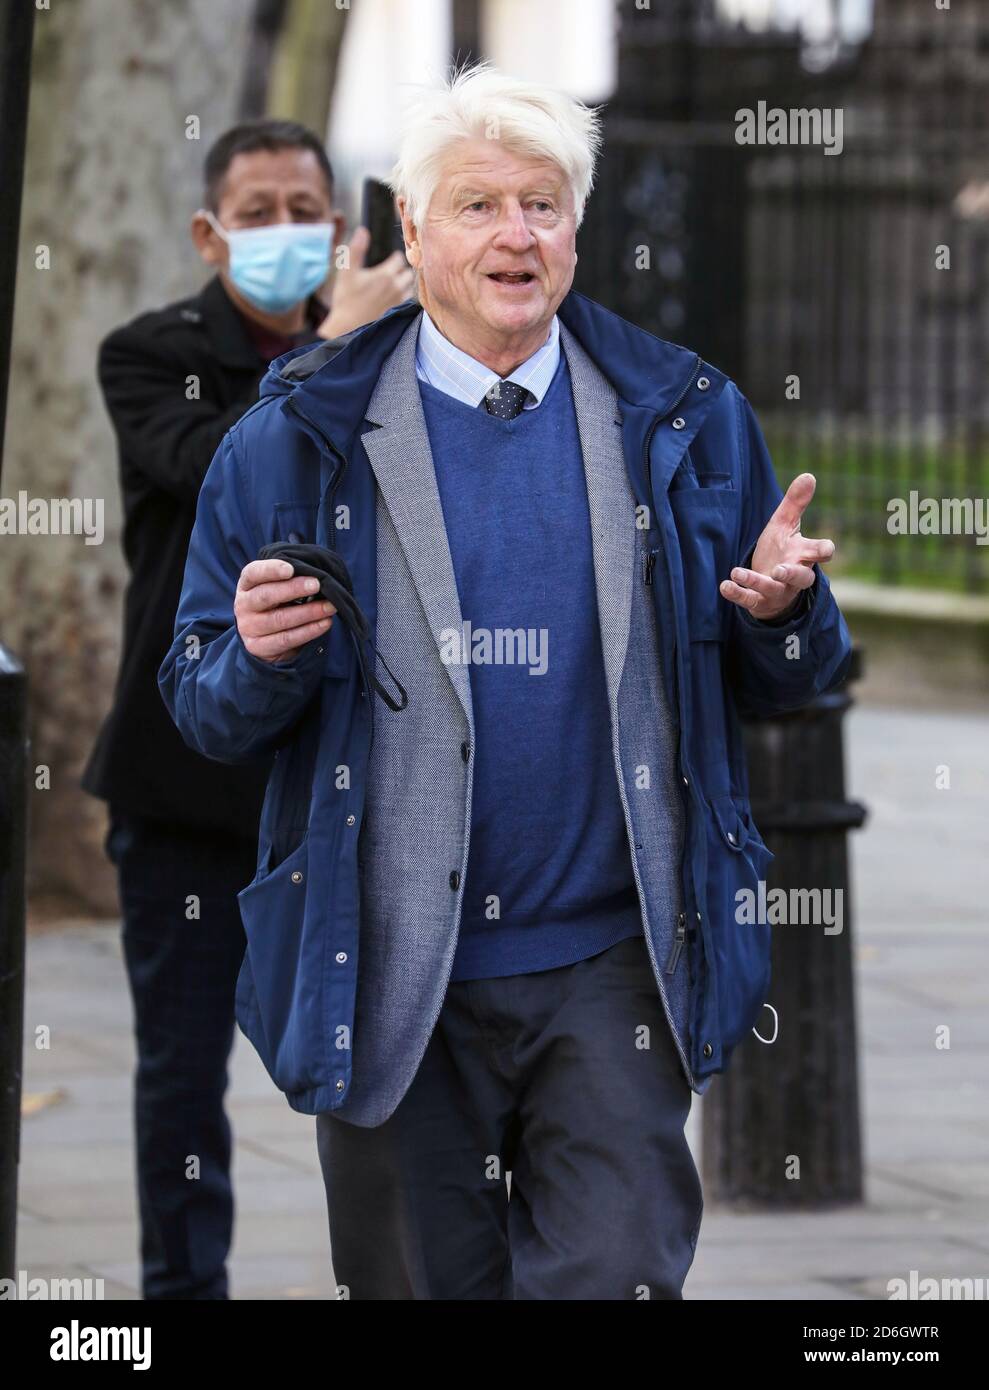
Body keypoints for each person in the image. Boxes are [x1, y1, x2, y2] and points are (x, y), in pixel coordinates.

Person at [158, 66, 852, 1300]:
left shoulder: (683, 416)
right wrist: (257, 659)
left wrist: (788, 615)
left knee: (618, 1269)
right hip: (381, 976)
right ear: (412, 231)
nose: (516, 235)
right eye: (477, 205)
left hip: (612, 961)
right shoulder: (295, 435)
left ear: (576, 230)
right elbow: (201, 699)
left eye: (542, 204)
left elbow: (792, 676)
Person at [82, 117, 414, 1300]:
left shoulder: (396, 357)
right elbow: (214, 463)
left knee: (382, 1058)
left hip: (335, 785)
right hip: (185, 785)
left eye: (305, 209)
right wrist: (332, 341)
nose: (287, 231)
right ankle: (182, 1295)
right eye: (258, 210)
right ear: (208, 233)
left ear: (343, 223)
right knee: (180, 1075)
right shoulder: (148, 351)